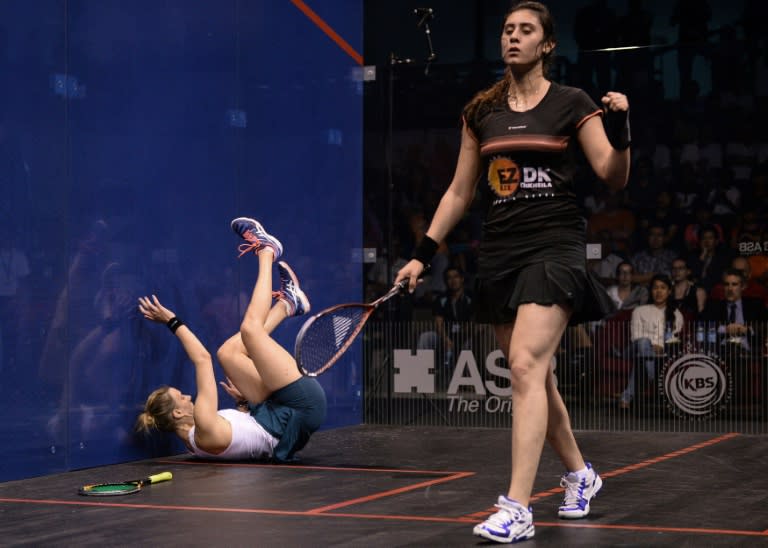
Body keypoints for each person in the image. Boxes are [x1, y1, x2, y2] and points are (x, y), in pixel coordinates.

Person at [394, 2, 630, 543]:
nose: (513, 37)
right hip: (499, 252)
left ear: (548, 44)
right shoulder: (482, 112)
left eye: (526, 30)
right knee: (537, 379)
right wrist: (420, 255)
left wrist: (622, 131)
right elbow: (459, 191)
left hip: (555, 246)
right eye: (507, 30)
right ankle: (580, 474)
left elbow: (613, 176)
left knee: (523, 366)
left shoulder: (573, 103)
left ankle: (517, 507)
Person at [136, 218, 327, 463]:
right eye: (182, 397)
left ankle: (288, 304)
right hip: (303, 407)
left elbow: (249, 437)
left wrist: (244, 404)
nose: (188, 396)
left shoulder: (194, 444)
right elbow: (202, 359)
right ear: (178, 413)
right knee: (250, 330)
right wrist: (172, 321)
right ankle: (266, 251)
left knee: (228, 353)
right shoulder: (204, 426)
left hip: (277, 413)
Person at [618, 274, 684, 409]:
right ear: (651, 291)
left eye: (663, 288)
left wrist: (661, 347)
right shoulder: (640, 310)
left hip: (659, 354)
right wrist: (654, 345)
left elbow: (674, 339)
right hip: (634, 349)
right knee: (643, 342)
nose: (659, 291)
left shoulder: (676, 313)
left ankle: (626, 397)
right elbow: (635, 336)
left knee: (640, 362)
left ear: (669, 291)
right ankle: (654, 380)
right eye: (655, 288)